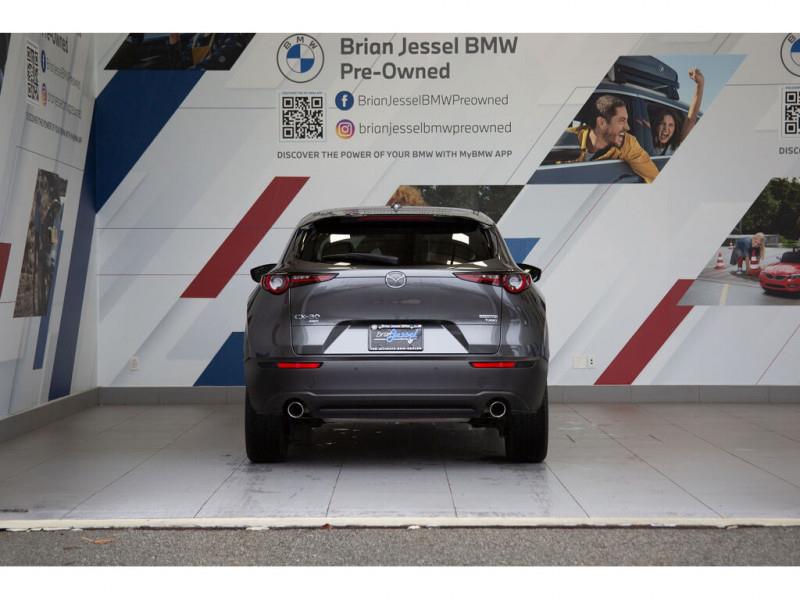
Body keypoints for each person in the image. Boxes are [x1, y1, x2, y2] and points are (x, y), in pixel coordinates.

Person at [562, 94, 659, 183]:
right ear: (601, 123)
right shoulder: (565, 138)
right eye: (622, 121)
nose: (627, 127)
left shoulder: (627, 143)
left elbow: (654, 178)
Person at [652, 68, 705, 156]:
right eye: (662, 123)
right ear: (656, 125)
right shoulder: (648, 142)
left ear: (675, 129)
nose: (666, 129)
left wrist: (700, 84)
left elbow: (690, 119)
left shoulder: (673, 149)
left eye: (670, 125)